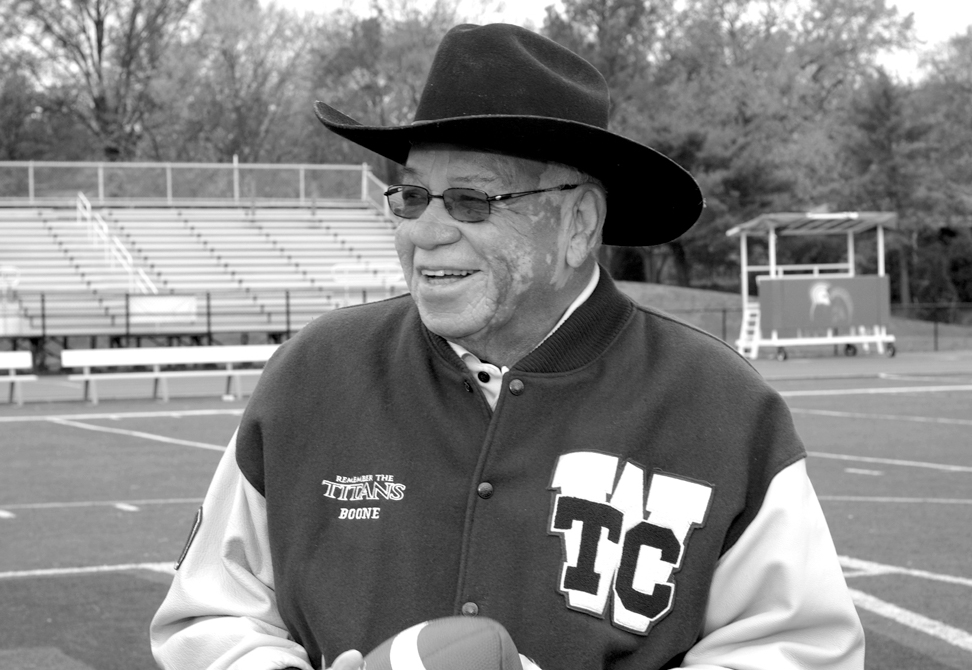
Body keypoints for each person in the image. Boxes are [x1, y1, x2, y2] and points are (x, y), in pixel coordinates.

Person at [150, 23, 864, 670]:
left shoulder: (721, 408)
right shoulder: (314, 373)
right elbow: (211, 614)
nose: (426, 233)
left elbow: (796, 652)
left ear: (578, 223)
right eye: (410, 196)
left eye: (471, 201)